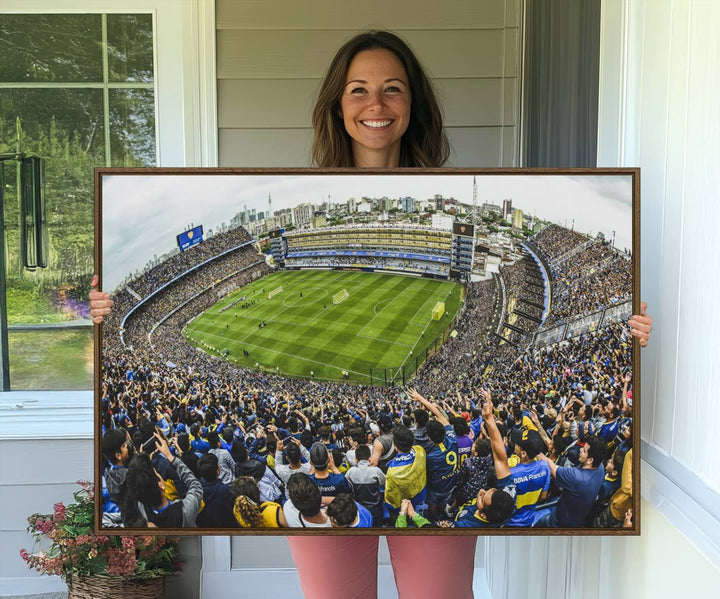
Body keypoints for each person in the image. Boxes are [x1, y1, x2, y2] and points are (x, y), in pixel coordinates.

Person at [89, 29, 653, 599]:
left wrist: (628, 333)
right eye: (358, 89)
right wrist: (102, 314)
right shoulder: (299, 186)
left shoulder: (458, 188)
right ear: (337, 104)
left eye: (393, 89)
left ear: (414, 104)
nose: (375, 105)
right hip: (376, 502)